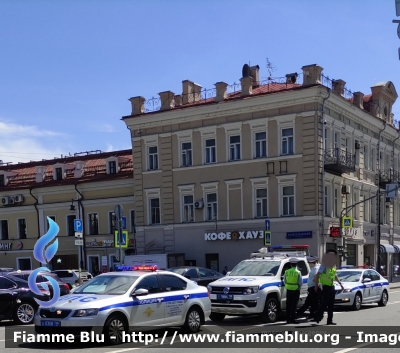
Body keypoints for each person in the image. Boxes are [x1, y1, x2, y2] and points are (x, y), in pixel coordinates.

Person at [314, 249, 344, 325]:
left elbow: (335, 275)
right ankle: (317, 314)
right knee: (325, 302)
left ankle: (329, 320)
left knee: (331, 304)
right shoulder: (324, 265)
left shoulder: (333, 265)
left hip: (331, 286)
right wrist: (316, 285)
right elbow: (317, 275)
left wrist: (340, 283)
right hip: (325, 287)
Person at [284, 258, 303, 324]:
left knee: (288, 305)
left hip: (288, 290)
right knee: (294, 305)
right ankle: (292, 319)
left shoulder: (286, 272)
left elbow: (284, 281)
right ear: (296, 264)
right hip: (296, 290)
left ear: (290, 264)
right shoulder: (298, 272)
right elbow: (300, 282)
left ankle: (287, 319)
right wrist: (298, 287)